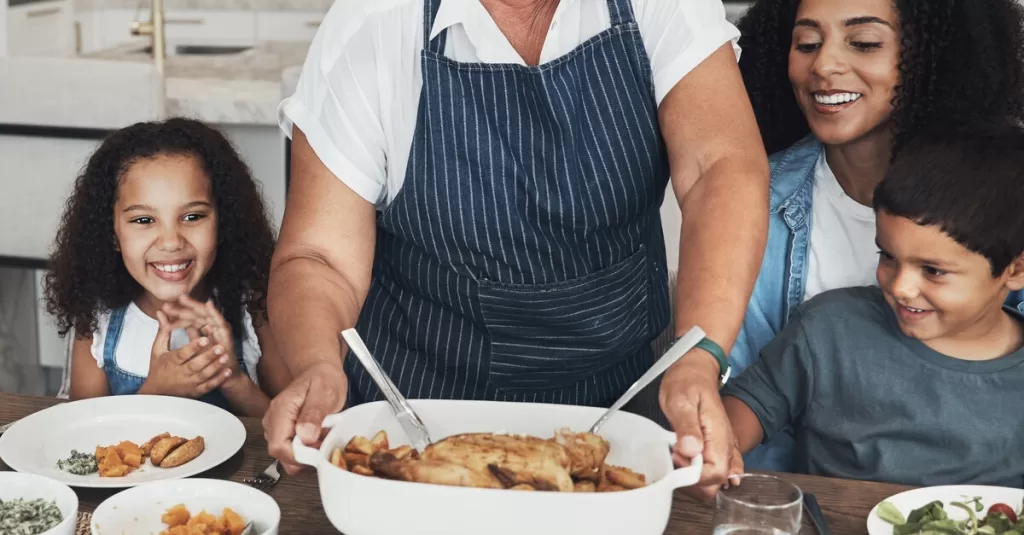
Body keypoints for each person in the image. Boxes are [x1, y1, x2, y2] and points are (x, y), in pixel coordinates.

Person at [263, 0, 769, 493]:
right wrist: (316, 363)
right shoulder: (375, 20)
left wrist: (699, 355)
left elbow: (719, 170)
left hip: (619, 430)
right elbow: (320, 257)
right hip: (412, 432)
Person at [730, 0, 1024, 472]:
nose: (824, 64)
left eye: (864, 42)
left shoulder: (1007, 200)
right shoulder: (747, 201)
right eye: (806, 43)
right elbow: (745, 405)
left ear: (935, 55)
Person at [44, 118, 291, 417]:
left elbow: (292, 434)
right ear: (111, 234)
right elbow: (86, 435)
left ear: (224, 221)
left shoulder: (254, 308)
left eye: (193, 217)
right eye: (144, 220)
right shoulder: (97, 320)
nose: (172, 242)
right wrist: (155, 391)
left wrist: (233, 379)